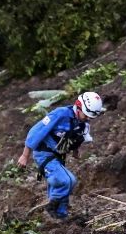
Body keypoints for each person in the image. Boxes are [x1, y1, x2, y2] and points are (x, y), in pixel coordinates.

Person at [17, 91, 105, 219]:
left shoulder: (82, 123)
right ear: (78, 106)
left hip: (58, 156)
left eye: (90, 117)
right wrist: (25, 156)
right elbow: (36, 132)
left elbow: (77, 138)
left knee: (61, 183)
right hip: (44, 152)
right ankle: (51, 206)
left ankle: (60, 216)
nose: (88, 119)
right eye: (86, 115)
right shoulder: (60, 114)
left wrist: (75, 151)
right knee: (67, 180)